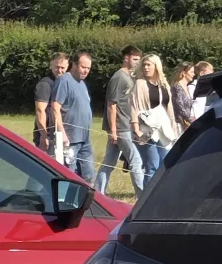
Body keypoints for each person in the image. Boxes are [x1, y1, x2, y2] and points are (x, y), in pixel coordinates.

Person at [95, 45, 144, 198]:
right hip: (121, 127)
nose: (138, 62)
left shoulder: (130, 77)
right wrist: (113, 131)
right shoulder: (119, 78)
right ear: (126, 58)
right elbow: (112, 105)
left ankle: (98, 193)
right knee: (136, 161)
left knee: (109, 162)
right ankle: (143, 196)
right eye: (135, 59)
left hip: (125, 125)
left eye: (139, 59)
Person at [131, 54, 178, 187]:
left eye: (149, 65)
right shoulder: (140, 84)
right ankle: (147, 196)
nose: (146, 68)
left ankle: (161, 192)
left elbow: (169, 109)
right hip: (147, 129)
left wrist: (173, 128)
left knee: (166, 163)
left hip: (163, 129)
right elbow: (134, 107)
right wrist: (136, 129)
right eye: (144, 65)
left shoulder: (164, 84)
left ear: (156, 66)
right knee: (152, 165)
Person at [49, 52, 94, 182]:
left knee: (88, 176)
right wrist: (62, 133)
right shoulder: (64, 81)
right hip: (70, 140)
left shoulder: (82, 83)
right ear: (74, 64)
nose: (86, 71)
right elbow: (55, 107)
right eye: (83, 67)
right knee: (67, 177)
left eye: (88, 68)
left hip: (84, 139)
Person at [33, 52, 67, 156]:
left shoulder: (64, 83)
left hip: (61, 133)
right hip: (49, 136)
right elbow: (40, 111)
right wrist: (43, 136)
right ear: (51, 65)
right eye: (57, 67)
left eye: (62, 67)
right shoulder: (45, 84)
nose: (59, 70)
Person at [170, 61, 196, 133]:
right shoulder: (177, 87)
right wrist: (191, 120)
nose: (194, 74)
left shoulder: (186, 87)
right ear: (184, 73)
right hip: (179, 125)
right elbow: (180, 107)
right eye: (192, 72)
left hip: (187, 123)